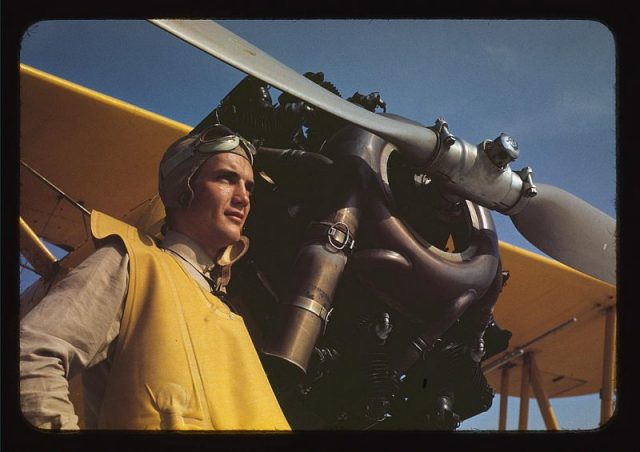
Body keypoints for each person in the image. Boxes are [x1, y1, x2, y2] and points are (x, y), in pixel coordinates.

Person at [19, 124, 291, 431]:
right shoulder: (132, 262)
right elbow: (29, 356)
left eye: (249, 187)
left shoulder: (230, 313)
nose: (243, 198)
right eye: (226, 178)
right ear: (182, 189)